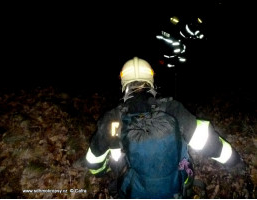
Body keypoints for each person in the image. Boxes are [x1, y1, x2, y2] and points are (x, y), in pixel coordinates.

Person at [85, 57, 245, 198]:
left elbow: (93, 162)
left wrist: (102, 172)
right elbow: (207, 142)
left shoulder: (113, 118)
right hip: (175, 188)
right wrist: (234, 161)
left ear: (123, 84)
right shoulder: (172, 109)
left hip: (133, 191)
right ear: (151, 81)